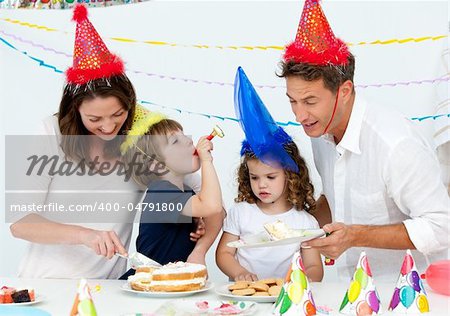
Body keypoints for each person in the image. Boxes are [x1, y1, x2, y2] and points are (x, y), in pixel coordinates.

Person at [8, 4, 204, 279]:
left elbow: (196, 187)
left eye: (117, 114)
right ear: (74, 110)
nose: (109, 126)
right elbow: (20, 223)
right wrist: (84, 235)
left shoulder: (140, 135)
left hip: (110, 290)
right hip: (47, 285)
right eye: (94, 119)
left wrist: (198, 217)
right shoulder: (50, 133)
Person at [278, 0, 450, 279]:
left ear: (344, 91)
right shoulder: (321, 131)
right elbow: (339, 200)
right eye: (293, 101)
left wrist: (355, 235)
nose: (299, 114)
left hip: (408, 295)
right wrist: (285, 222)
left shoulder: (395, 145)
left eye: (309, 101)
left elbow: (441, 227)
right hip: (351, 290)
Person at [216, 67, 323, 281]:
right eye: (254, 177)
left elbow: (314, 268)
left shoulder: (305, 222)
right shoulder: (241, 212)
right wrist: (239, 273)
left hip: (287, 300)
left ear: (290, 175)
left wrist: (298, 280)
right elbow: (224, 254)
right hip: (247, 297)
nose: (261, 185)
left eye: (270, 177)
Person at [120, 108, 223, 277]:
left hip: (170, 283)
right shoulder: (159, 193)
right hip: (147, 283)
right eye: (175, 141)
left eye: (183, 135)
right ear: (155, 164)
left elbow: (217, 214)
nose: (189, 141)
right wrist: (206, 160)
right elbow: (212, 206)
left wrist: (198, 250)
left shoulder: (186, 192)